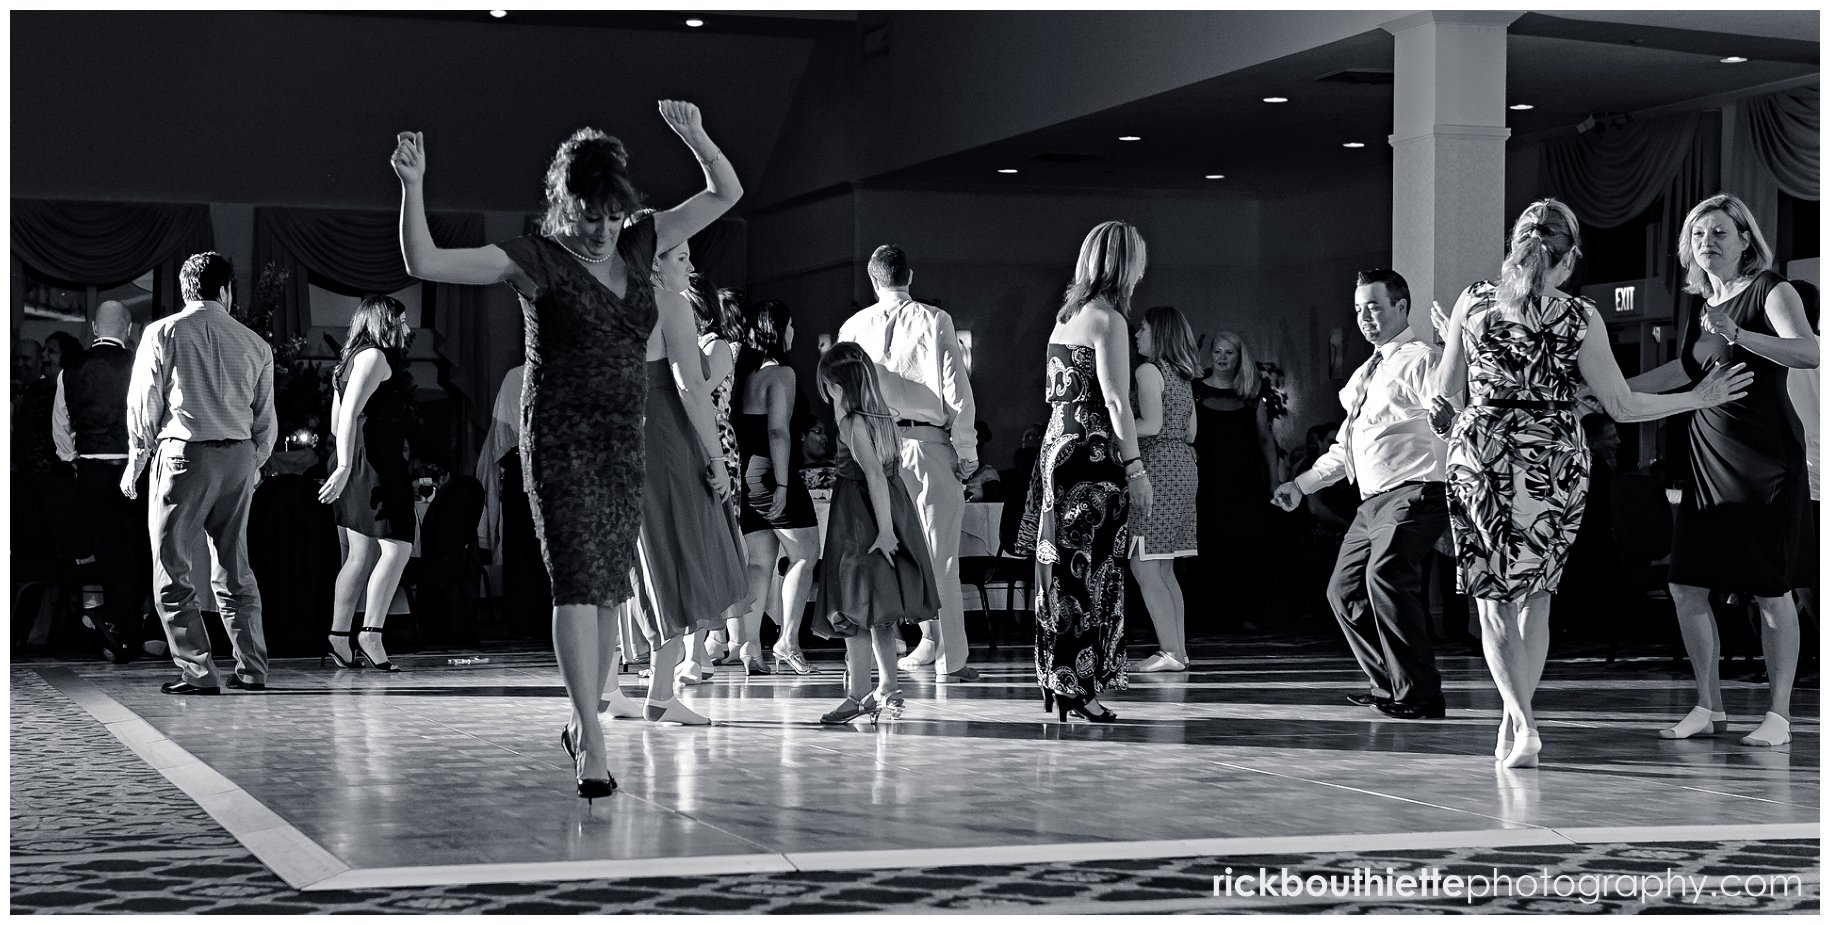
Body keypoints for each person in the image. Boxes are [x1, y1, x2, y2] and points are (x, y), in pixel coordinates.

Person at [391, 98, 741, 801]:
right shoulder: (537, 260)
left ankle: (587, 723)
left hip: (623, 439)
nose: (605, 230)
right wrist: (413, 186)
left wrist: (698, 137)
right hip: (561, 442)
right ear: (565, 204)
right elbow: (423, 258)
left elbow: (725, 192)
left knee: (610, 589)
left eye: (614, 216)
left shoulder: (641, 241)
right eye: (591, 217)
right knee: (579, 583)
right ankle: (593, 733)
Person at [1433, 199, 1751, 767]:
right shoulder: (1580, 317)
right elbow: (1623, 408)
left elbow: (1447, 385)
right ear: (1571, 255)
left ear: (1515, 246)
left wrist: (1456, 339)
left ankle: (1521, 722)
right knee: (1536, 598)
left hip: (1481, 450)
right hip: (1554, 455)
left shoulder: (1473, 300)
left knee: (1494, 602)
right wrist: (1695, 398)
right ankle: (1517, 720)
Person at [1625, 194, 1816, 748]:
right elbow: (1684, 371)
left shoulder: (1769, 290)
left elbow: (1808, 352)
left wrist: (1738, 334)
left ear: (1745, 241)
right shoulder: (1702, 305)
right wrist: (1609, 390)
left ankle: (1779, 715)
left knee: (1769, 589)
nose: (1707, 242)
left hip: (1765, 460)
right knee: (1687, 582)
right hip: (1707, 460)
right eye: (1699, 235)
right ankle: (1709, 706)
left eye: (1719, 233)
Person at [1274, 270, 1449, 719]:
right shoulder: (1366, 372)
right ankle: (1389, 685)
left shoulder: (1421, 359)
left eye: (1374, 307)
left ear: (1401, 307)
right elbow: (1346, 448)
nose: (1365, 318)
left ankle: (1421, 694)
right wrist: (1301, 484)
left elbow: (1452, 420)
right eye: (1358, 310)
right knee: (1343, 590)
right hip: (1370, 502)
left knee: (1386, 577)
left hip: (1415, 492)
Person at [1016, 221, 1153, 722]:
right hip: (1091, 456)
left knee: (1059, 570)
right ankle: (1081, 688)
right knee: (1093, 574)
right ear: (1125, 265)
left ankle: (1060, 681)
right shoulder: (1108, 320)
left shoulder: (1066, 317)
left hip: (1057, 449)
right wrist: (1136, 469)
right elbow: (1116, 401)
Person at [124, 251, 276, 694]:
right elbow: (265, 418)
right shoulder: (255, 343)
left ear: (185, 288)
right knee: (235, 566)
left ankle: (197, 671)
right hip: (238, 457)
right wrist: (255, 462)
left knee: (172, 568)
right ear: (226, 290)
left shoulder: (164, 332)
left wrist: (136, 460)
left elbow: (144, 404)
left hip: (184, 457)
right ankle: (253, 669)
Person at [839, 245, 980, 683]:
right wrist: (968, 451)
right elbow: (957, 390)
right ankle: (948, 658)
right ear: (910, 276)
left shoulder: (853, 326)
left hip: (877, 445)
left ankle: (927, 643)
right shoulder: (935, 319)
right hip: (928, 444)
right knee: (941, 558)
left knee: (895, 554)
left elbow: (844, 395)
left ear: (873, 279)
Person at [627, 227, 748, 713]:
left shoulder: (610, 302)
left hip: (624, 441)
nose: (690, 269)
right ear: (655, 262)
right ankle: (660, 693)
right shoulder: (668, 304)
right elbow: (690, 387)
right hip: (668, 440)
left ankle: (611, 692)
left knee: (643, 558)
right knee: (679, 552)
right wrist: (716, 459)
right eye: (681, 258)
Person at [810, 342, 938, 723]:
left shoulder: (852, 421)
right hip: (889, 510)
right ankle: (887, 688)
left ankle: (859, 694)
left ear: (835, 386)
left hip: (861, 518)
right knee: (879, 608)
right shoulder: (881, 415)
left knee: (851, 605)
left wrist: (883, 531)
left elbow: (872, 477)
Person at [316, 295, 416, 673]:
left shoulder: (352, 358)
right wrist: (344, 465)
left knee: (361, 556)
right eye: (402, 321)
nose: (406, 330)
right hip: (374, 465)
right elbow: (352, 413)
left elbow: (336, 422)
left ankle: (338, 637)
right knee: (397, 548)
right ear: (384, 321)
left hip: (360, 462)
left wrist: (343, 464)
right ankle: (370, 632)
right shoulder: (374, 357)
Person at [53, 301, 151, 662]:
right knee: (139, 549)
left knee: (108, 554)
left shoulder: (70, 370)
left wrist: (72, 460)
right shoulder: (138, 366)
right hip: (133, 469)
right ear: (128, 330)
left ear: (94, 328)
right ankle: (128, 629)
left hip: (91, 470)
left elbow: (61, 427)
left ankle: (118, 629)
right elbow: (151, 415)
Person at [734, 299, 822, 675]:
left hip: (749, 474)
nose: (793, 332)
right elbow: (778, 431)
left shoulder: (746, 377)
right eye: (789, 325)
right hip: (774, 471)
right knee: (805, 554)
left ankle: (750, 645)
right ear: (778, 330)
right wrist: (785, 483)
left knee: (759, 564)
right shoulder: (781, 373)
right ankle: (788, 639)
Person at [1130, 305, 1201, 672]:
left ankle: (1171, 652)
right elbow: (1190, 432)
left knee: (1144, 565)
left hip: (1156, 467)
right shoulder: (1182, 375)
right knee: (1165, 567)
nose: (1137, 335)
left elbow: (1151, 424)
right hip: (1184, 465)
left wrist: (1117, 429)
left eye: (1142, 329)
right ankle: (1177, 649)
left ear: (1159, 333)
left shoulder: (1148, 371)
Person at [1193, 330, 1279, 631]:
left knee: (1245, 545)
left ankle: (1246, 613)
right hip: (1206, 482)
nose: (1222, 358)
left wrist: (1275, 482)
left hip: (1245, 483)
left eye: (1229, 352)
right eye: (1217, 351)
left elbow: (1266, 440)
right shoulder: (1196, 391)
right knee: (1208, 544)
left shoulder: (1252, 393)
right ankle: (1209, 614)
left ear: (1239, 357)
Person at [692, 278, 748, 667]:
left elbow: (696, 390)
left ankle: (729, 638)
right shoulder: (695, 344)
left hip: (718, 447)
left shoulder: (718, 346)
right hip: (696, 444)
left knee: (722, 539)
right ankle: (711, 638)